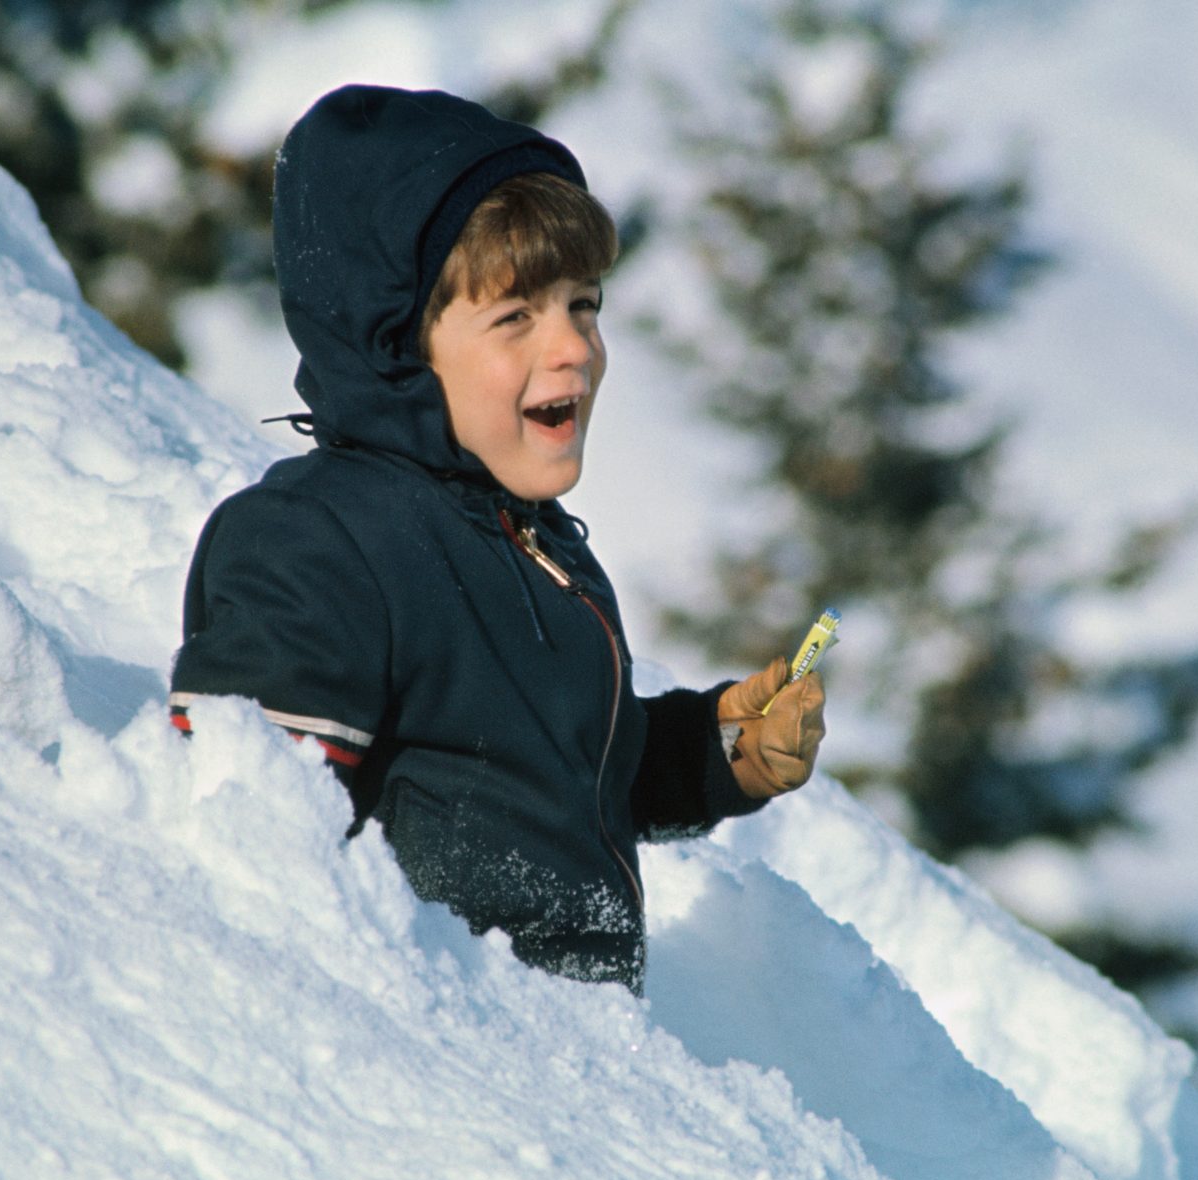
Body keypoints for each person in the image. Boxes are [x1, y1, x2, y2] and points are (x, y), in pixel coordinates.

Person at [169, 85, 825, 995]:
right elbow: (244, 842)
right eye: (515, 317)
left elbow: (547, 787)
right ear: (397, 347)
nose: (575, 349)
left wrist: (714, 752)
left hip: (570, 1066)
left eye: (584, 306)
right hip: (442, 1067)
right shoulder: (320, 542)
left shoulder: (533, 540)